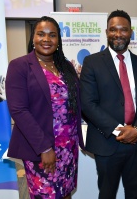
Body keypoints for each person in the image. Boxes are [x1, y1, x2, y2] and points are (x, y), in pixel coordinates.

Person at [80, 10, 137, 199]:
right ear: (106, 32)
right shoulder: (92, 62)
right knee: (106, 194)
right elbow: (88, 104)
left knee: (134, 193)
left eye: (123, 30)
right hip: (106, 142)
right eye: (113, 30)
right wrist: (119, 130)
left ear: (131, 32)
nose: (118, 34)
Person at [6, 16, 84, 199]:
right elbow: (18, 110)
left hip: (68, 147)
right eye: (41, 34)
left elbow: (76, 103)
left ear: (59, 40)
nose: (46, 39)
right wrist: (45, 148)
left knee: (65, 193)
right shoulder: (20, 66)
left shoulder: (66, 67)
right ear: (33, 38)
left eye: (52, 35)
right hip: (41, 149)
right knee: (46, 195)